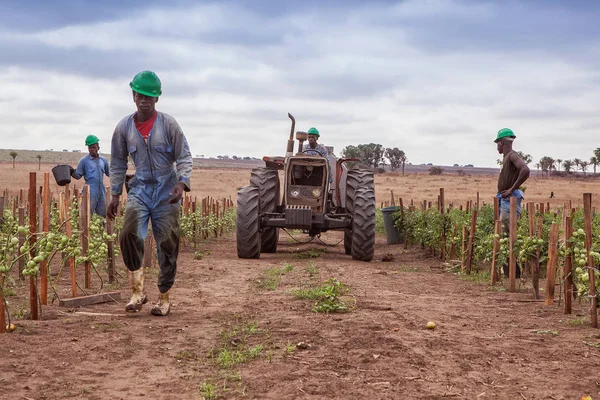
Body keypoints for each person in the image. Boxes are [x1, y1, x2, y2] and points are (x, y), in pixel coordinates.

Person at [107, 70, 192, 316]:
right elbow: (118, 163)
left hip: (168, 189)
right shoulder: (124, 127)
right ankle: (137, 292)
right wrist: (114, 194)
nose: (144, 100)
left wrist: (182, 183)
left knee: (167, 241)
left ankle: (164, 297)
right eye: (140, 95)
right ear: (133, 95)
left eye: (150, 97)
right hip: (140, 187)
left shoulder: (169, 124)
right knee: (129, 233)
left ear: (157, 99)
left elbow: (184, 156)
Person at [495, 128, 530, 277]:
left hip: (509, 202)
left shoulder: (512, 156)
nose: (497, 147)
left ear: (502, 143)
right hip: (505, 201)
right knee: (506, 236)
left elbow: (525, 170)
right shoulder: (507, 157)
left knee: (510, 236)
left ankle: (514, 273)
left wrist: (511, 189)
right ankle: (510, 273)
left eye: (498, 143)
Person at [70, 135, 110, 217]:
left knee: (102, 215)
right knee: (87, 214)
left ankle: (100, 229)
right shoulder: (84, 161)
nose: (91, 150)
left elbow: (109, 173)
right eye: (89, 148)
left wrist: (120, 173)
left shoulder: (103, 160)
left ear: (98, 147)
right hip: (90, 190)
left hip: (101, 191)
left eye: (93, 147)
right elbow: (78, 175)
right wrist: (70, 171)